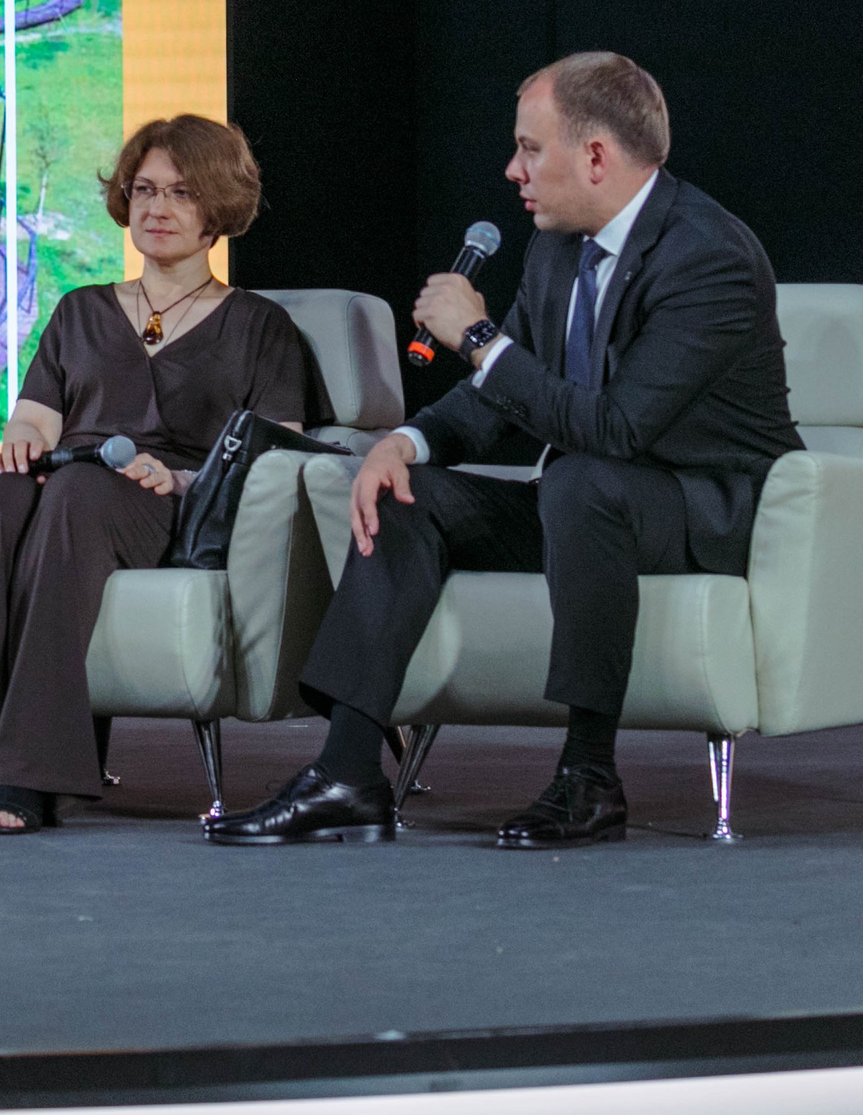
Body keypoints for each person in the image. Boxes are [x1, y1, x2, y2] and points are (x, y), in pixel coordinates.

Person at [211, 52, 802, 851]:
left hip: (705, 510)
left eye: (529, 148)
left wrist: (481, 338)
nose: (511, 171)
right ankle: (347, 772)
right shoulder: (558, 247)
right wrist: (406, 443)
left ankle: (589, 777)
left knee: (583, 480)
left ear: (596, 157)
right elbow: (499, 396)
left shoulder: (707, 254)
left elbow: (618, 429)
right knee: (409, 493)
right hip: (592, 506)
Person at [0, 116, 323, 833]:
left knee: (80, 494)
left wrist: (180, 480)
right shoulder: (80, 309)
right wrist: (24, 446)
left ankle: (30, 776)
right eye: (144, 189)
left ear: (218, 208)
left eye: (182, 192)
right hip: (69, 478)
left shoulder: (259, 325)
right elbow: (34, 420)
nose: (157, 208)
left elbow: (279, 458)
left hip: (166, 499)